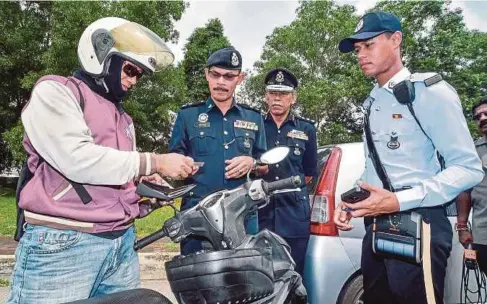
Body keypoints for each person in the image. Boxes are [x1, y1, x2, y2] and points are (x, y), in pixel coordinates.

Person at [8, 17, 197, 304]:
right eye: (131, 69)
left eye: (140, 75)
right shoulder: (57, 91)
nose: (133, 80)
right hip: (63, 247)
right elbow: (77, 158)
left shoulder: (124, 119)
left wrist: (142, 192)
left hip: (120, 245)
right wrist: (154, 162)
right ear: (102, 54)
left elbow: (112, 175)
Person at [333, 11, 483, 304]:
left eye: (370, 44)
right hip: (377, 226)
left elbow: (467, 168)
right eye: (358, 49)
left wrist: (398, 200)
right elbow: (377, 167)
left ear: (396, 39)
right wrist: (351, 203)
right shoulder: (373, 101)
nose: (362, 54)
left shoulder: (428, 93)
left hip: (420, 225)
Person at [169, 46, 267, 255]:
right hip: (197, 217)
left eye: (229, 76)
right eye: (215, 75)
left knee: (243, 282)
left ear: (240, 78)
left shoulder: (253, 117)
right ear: (207, 74)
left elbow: (264, 164)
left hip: (242, 215)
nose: (221, 82)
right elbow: (172, 159)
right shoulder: (188, 115)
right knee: (196, 282)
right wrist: (181, 166)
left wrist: (252, 163)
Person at [258, 68, 317, 276]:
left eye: (283, 94)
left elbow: (309, 173)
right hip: (260, 213)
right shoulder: (255, 125)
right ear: (266, 97)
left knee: (293, 275)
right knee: (261, 276)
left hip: (293, 215)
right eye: (273, 93)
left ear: (293, 98)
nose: (277, 98)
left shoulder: (306, 129)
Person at [456, 96, 487, 275]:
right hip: (483, 236)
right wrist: (462, 227)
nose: (482, 118)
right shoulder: (472, 152)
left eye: (486, 114)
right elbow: (464, 191)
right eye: (478, 116)